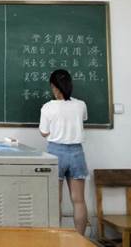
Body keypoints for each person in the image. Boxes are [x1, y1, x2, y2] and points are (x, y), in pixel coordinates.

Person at [39, 69, 88, 235]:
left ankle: (56, 239)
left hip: (55, 153)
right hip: (77, 152)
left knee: (55, 201)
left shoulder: (48, 107)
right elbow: (83, 119)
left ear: (54, 87)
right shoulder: (81, 105)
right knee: (79, 200)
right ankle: (81, 240)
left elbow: (44, 132)